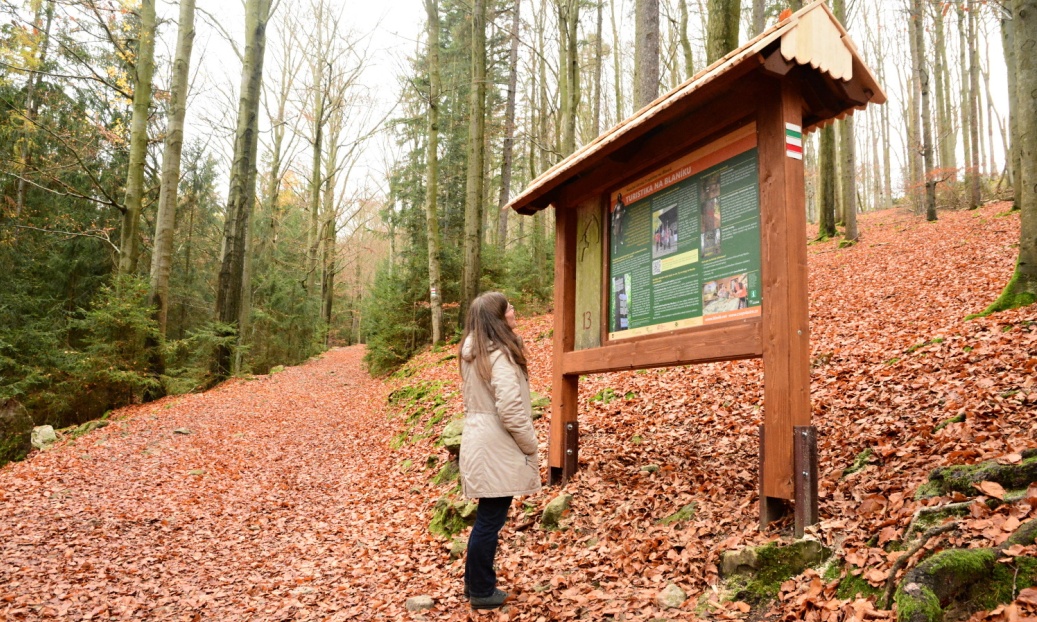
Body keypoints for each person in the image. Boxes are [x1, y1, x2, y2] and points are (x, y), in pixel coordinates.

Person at [458, 292, 541, 610]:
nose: (514, 310)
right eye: (508, 308)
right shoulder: (499, 354)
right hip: (497, 445)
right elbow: (510, 408)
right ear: (498, 317)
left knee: (486, 519)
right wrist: (529, 445)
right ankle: (481, 590)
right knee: (490, 521)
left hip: (480, 439)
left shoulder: (474, 352)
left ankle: (474, 585)